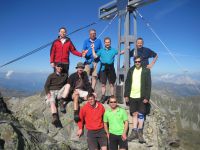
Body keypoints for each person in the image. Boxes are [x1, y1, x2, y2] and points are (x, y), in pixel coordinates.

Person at [124, 56, 151, 143]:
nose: (137, 63)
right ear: (134, 62)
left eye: (139, 61)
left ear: (141, 61)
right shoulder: (131, 70)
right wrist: (126, 95)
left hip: (142, 96)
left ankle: (140, 132)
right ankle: (134, 131)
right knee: (134, 114)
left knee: (141, 114)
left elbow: (148, 84)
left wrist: (147, 97)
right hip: (132, 96)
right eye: (136, 61)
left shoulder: (146, 70)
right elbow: (127, 83)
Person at [92, 37, 118, 103]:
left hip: (111, 68)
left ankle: (112, 97)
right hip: (103, 68)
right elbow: (95, 56)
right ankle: (103, 96)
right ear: (104, 43)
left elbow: (120, 52)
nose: (107, 43)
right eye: (106, 42)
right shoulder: (101, 50)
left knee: (111, 84)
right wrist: (92, 48)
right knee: (103, 84)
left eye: (108, 42)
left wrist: (127, 49)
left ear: (110, 42)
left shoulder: (113, 50)